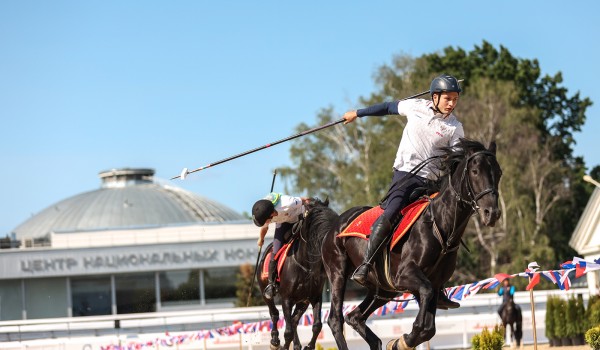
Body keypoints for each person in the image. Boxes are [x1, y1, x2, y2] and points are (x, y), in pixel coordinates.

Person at [342, 74, 463, 309]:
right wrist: (358, 113)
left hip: (432, 183)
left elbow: (458, 158)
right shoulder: (415, 106)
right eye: (448, 98)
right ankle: (366, 265)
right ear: (435, 96)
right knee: (392, 212)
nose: (451, 103)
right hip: (405, 177)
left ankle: (439, 287)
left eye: (455, 99)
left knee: (445, 226)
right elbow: (387, 107)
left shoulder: (455, 127)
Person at [252, 192, 309, 300]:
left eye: (268, 220)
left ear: (272, 214)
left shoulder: (288, 203)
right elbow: (264, 227)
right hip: (284, 223)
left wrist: (311, 211)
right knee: (275, 252)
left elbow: (306, 200)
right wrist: (261, 238)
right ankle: (271, 284)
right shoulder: (263, 212)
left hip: (301, 216)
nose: (268, 222)